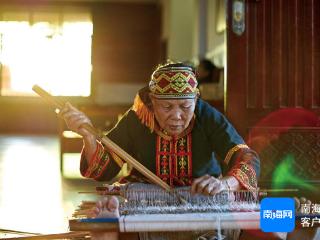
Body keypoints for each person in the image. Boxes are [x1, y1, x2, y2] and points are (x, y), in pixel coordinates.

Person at [61, 62, 260, 240]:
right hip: (145, 203)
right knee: (116, 228)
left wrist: (226, 183)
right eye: (166, 106)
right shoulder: (137, 119)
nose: (177, 115)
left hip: (202, 202)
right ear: (152, 101)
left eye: (185, 106)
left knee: (271, 224)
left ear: (195, 100)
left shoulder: (206, 116)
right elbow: (102, 170)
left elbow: (247, 157)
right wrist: (87, 136)